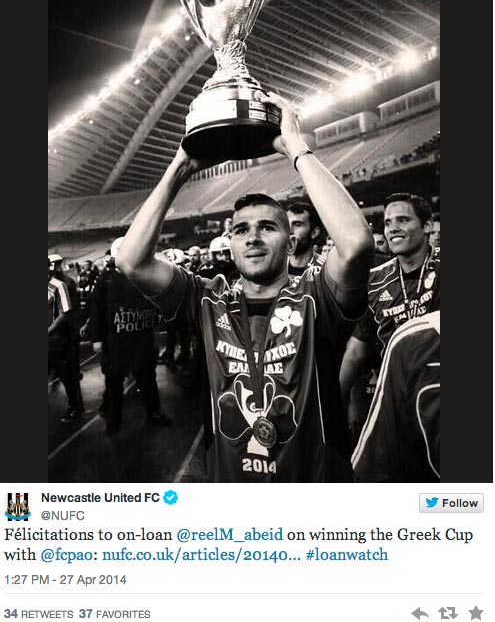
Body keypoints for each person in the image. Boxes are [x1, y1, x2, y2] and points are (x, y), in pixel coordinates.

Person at [116, 91, 373, 482]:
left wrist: (295, 147)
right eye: (241, 230)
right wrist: (181, 166)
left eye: (267, 227)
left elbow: (355, 245)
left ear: (291, 243)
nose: (252, 237)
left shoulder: (317, 297)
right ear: (231, 243)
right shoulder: (208, 301)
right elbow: (131, 261)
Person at [340, 193, 440, 403]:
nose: (393, 228)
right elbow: (357, 350)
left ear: (427, 226)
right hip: (396, 395)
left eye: (403, 220)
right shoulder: (374, 281)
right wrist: (329, 404)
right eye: (388, 223)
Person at [88, 238, 170, 435]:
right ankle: (113, 419)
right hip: (115, 341)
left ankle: (154, 412)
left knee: (147, 378)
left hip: (142, 338)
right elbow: (96, 310)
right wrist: (97, 338)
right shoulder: (105, 279)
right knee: (114, 382)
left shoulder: (144, 275)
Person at [352, 310, 440, 482]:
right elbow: (356, 352)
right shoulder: (410, 341)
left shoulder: (417, 339)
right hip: (393, 379)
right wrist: (354, 401)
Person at [48, 260, 85, 422]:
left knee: (67, 377)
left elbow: (66, 313)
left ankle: (75, 407)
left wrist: (48, 330)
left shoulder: (59, 285)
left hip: (57, 342)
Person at [286, 202, 326, 277]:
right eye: (287, 224)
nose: (289, 231)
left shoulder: (326, 270)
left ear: (314, 233)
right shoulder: (274, 266)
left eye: (297, 225)